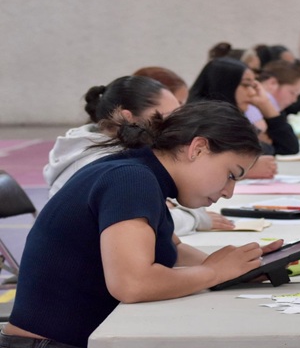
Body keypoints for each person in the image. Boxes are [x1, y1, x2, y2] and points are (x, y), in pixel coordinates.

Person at [7, 101, 285, 348]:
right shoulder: (131, 179)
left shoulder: (143, 173)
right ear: (198, 149)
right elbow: (133, 283)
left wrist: (238, 269)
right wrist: (213, 272)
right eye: (231, 175)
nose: (229, 192)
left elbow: (172, 249)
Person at [42, 75, 235, 235]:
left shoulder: (96, 146)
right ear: (128, 118)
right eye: (166, 118)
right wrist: (196, 218)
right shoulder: (110, 166)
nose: (176, 127)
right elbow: (146, 222)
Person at [188, 56, 298, 157]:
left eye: (253, 86)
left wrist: (266, 105)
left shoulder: (231, 117)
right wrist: (263, 145)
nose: (252, 92)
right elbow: (253, 150)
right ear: (225, 85)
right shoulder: (208, 120)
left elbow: (289, 147)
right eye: (246, 85)